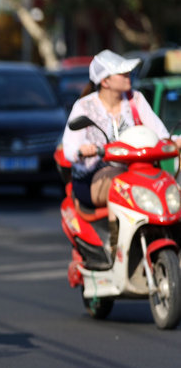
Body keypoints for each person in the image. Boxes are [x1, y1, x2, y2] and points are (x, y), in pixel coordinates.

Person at [61, 49, 174, 252]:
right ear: (105, 81)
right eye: (122, 74)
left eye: (128, 73)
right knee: (119, 182)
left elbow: (160, 133)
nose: (128, 77)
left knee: (167, 185)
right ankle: (116, 243)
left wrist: (175, 142)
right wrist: (82, 150)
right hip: (93, 177)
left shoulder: (136, 100)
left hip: (138, 171)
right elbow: (70, 147)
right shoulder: (84, 107)